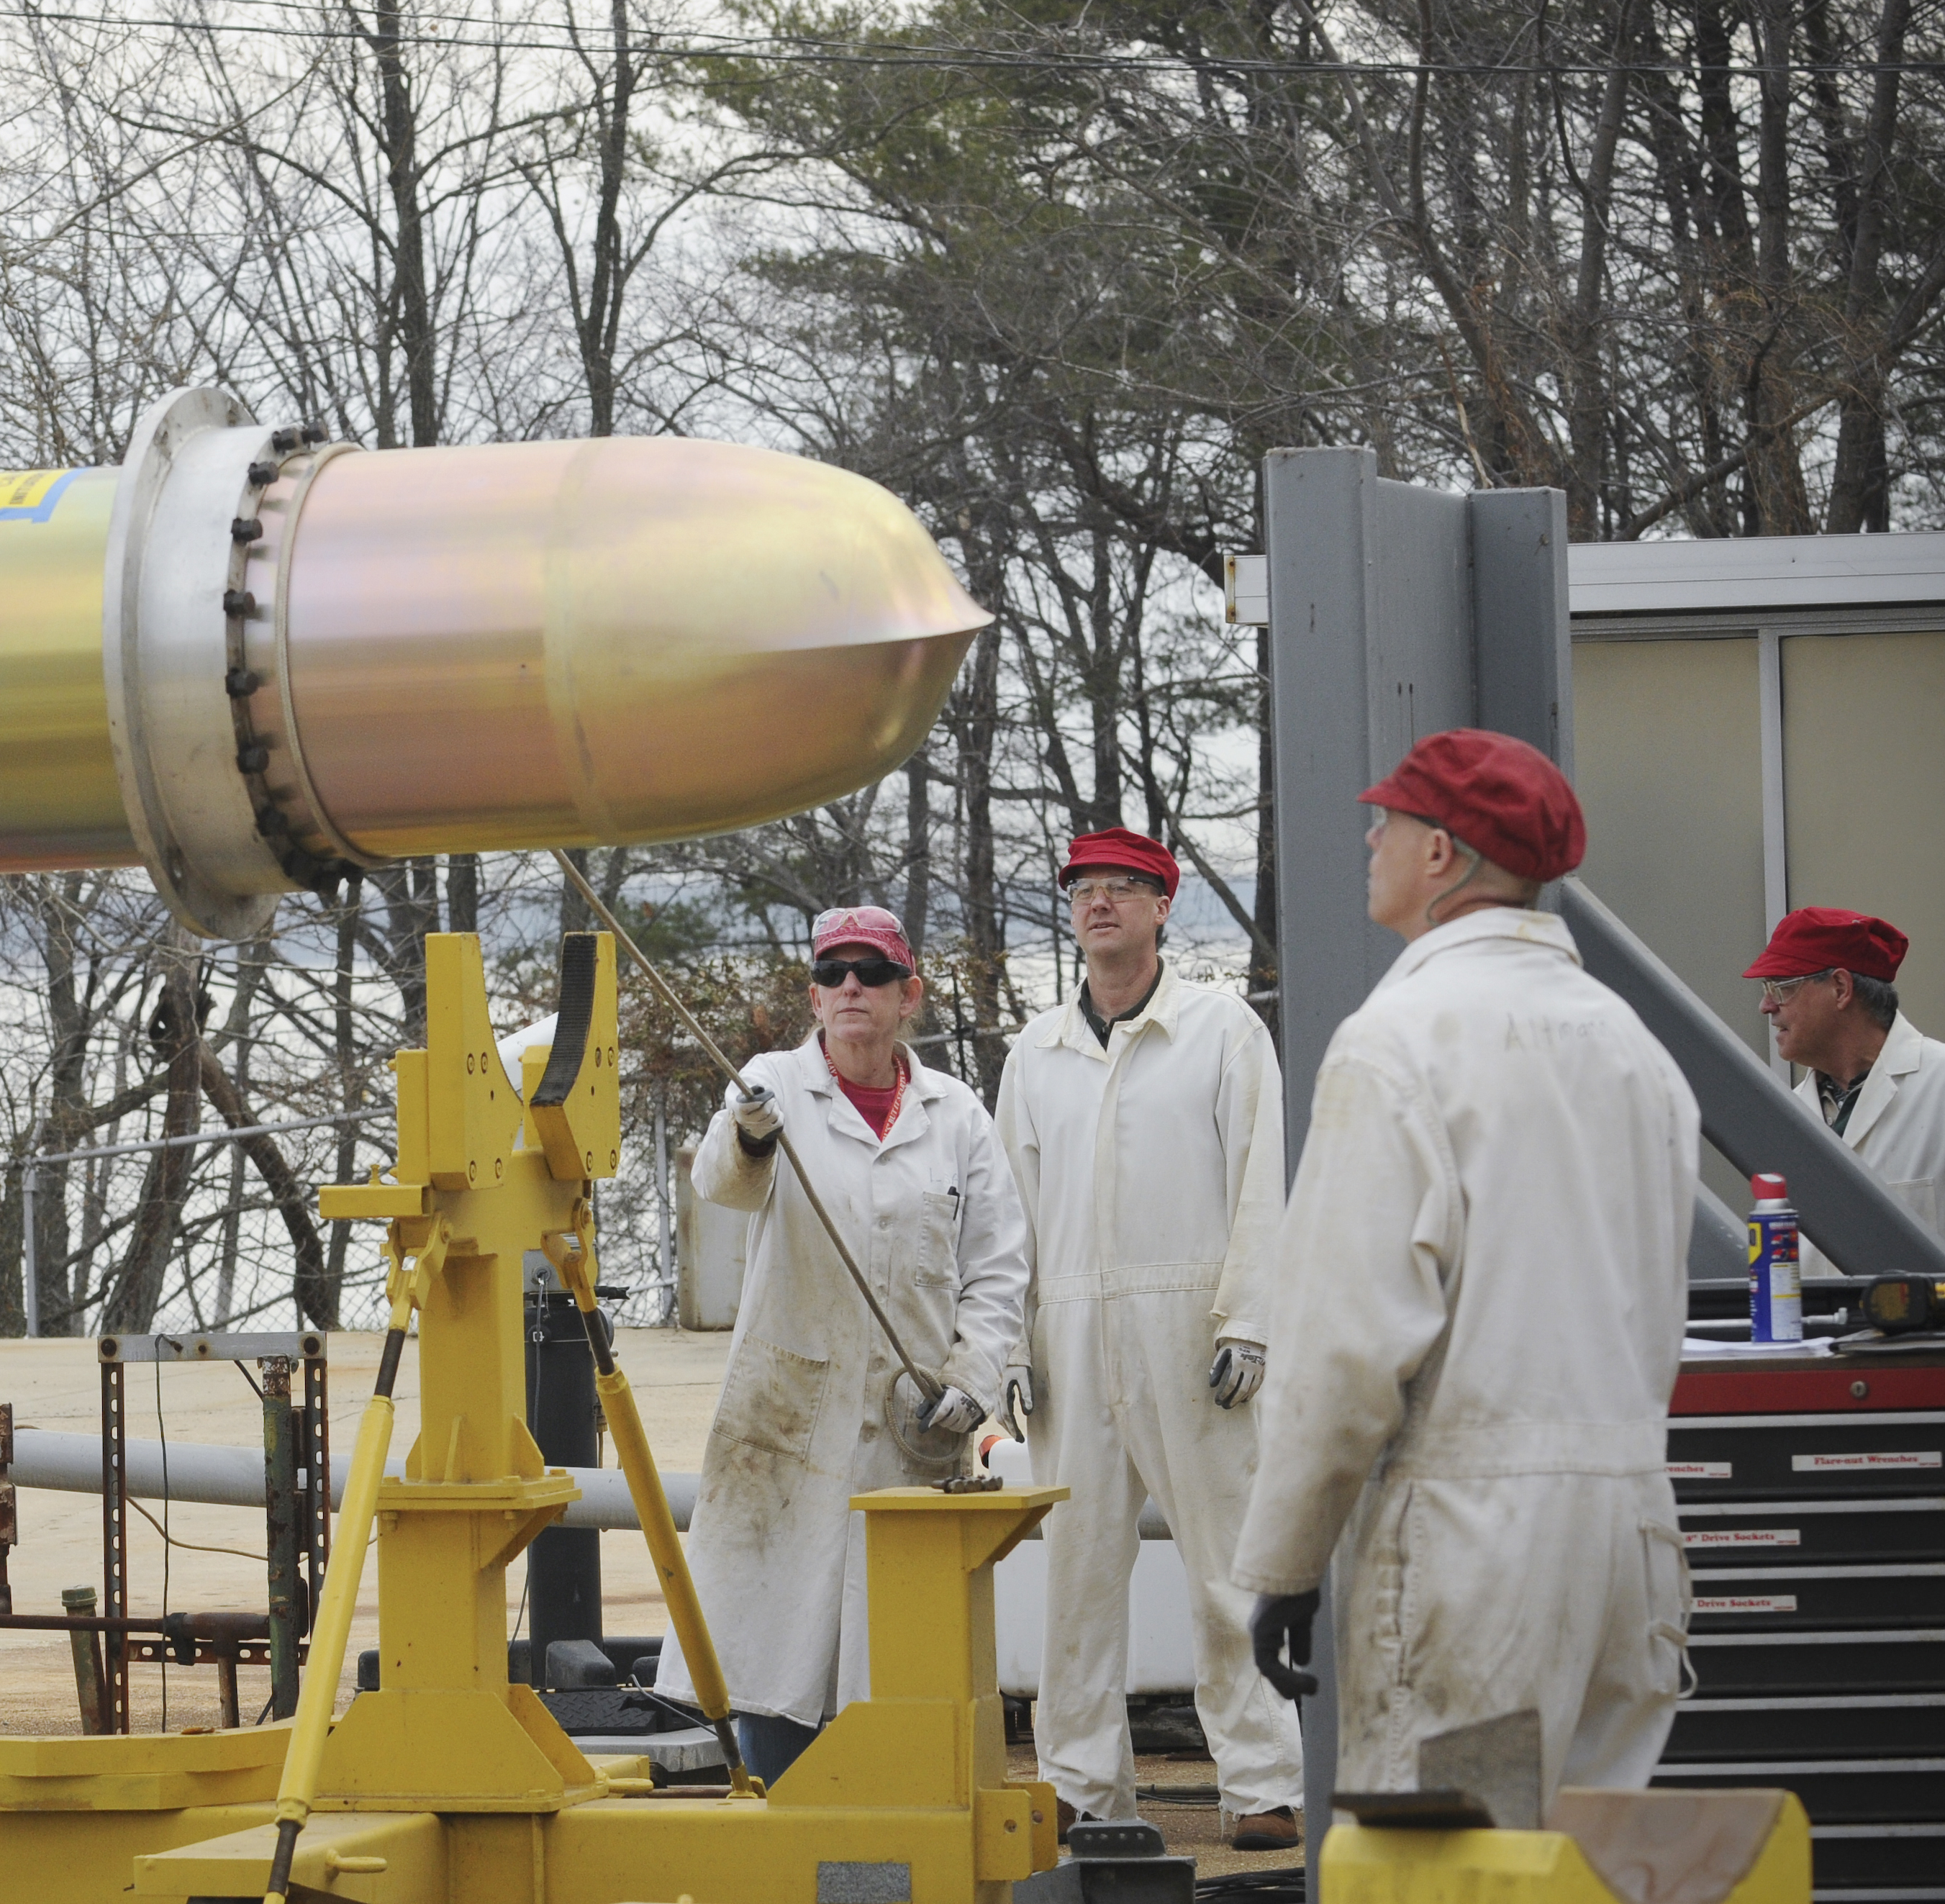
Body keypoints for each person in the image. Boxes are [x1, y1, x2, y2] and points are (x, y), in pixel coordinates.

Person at [1235, 728, 1700, 1807]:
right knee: (1585, 1868)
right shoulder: (1633, 1050)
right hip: (1630, 1548)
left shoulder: (1400, 1041)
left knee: (1458, 1869)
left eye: (1387, 820)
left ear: (1440, 854)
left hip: (1479, 1560)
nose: (1369, 836)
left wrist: (1284, 1565)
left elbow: (1341, 1349)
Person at [656, 904, 1030, 1788]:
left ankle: (894, 1837)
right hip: (784, 1422)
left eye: (870, 970)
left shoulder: (958, 1116)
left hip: (915, 1435)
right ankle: (788, 1825)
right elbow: (725, 1185)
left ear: (912, 995)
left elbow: (1000, 1266)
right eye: (832, 973)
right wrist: (747, 1134)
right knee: (776, 1652)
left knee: (898, 1661)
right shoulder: (770, 1083)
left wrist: (971, 1379)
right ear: (816, 999)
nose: (850, 985)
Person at [998, 828, 1302, 1852]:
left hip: (1192, 1330)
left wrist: (1248, 1319)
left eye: (1124, 888)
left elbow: (1263, 1182)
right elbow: (1011, 1219)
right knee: (1077, 1572)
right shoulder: (1036, 1053)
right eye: (1084, 888)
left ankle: (1260, 1782)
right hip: (1071, 1332)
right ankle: (1084, 1787)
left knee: (1229, 1567)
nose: (1099, 904)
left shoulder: (1218, 1032)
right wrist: (1008, 1341)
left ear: (1164, 907)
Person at [1746, 907, 1939, 1277]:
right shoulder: (1790, 1112)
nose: (1766, 1006)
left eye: (1780, 987)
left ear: (1840, 988)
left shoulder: (1939, 1087)